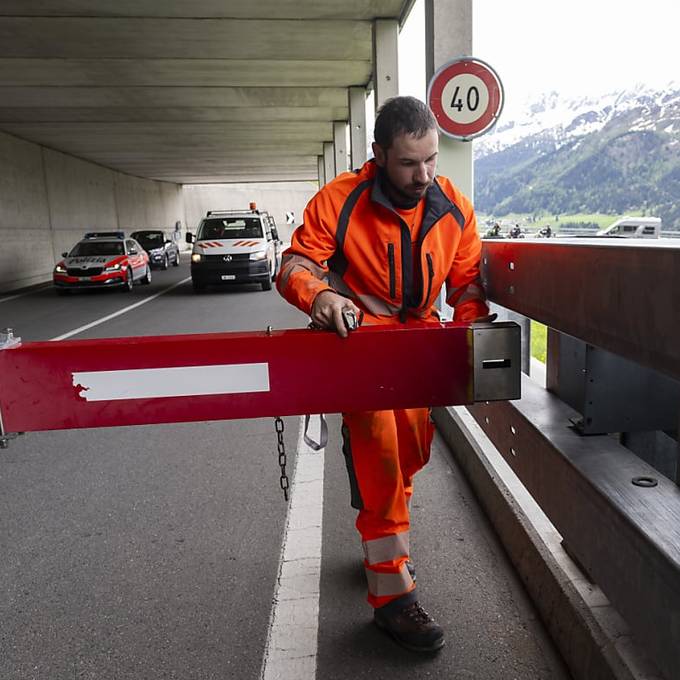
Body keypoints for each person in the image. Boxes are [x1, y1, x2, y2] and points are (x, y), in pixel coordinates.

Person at [276, 96, 490, 653]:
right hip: (361, 345)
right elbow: (296, 263)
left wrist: (470, 343)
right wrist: (319, 295)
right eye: (408, 164)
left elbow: (467, 285)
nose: (423, 176)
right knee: (382, 448)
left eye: (432, 161)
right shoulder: (340, 200)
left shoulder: (455, 210)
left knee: (412, 449)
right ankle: (394, 597)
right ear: (378, 155)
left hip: (417, 349)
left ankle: (380, 518)